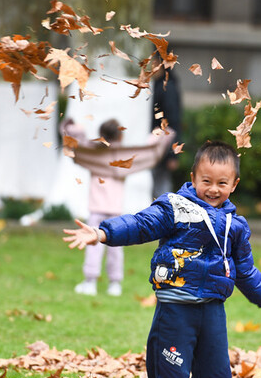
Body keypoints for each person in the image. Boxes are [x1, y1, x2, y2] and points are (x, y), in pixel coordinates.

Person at [62, 140, 261, 378]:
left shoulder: (236, 226)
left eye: (222, 182)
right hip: (175, 313)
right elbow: (141, 224)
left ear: (234, 184)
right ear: (193, 177)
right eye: (206, 180)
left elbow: (244, 270)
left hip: (212, 314)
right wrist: (103, 233)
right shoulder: (174, 208)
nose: (213, 189)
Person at [61, 117, 175, 296]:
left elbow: (74, 143)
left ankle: (90, 282)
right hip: (114, 210)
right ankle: (115, 284)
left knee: (93, 247)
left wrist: (74, 127)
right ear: (120, 137)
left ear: (101, 136)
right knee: (116, 248)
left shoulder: (93, 155)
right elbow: (151, 150)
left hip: (96, 208)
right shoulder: (125, 159)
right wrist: (159, 134)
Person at [151, 58, 182, 198]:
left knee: (161, 188)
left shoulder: (167, 87)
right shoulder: (158, 85)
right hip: (157, 145)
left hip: (162, 146)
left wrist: (172, 154)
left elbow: (173, 122)